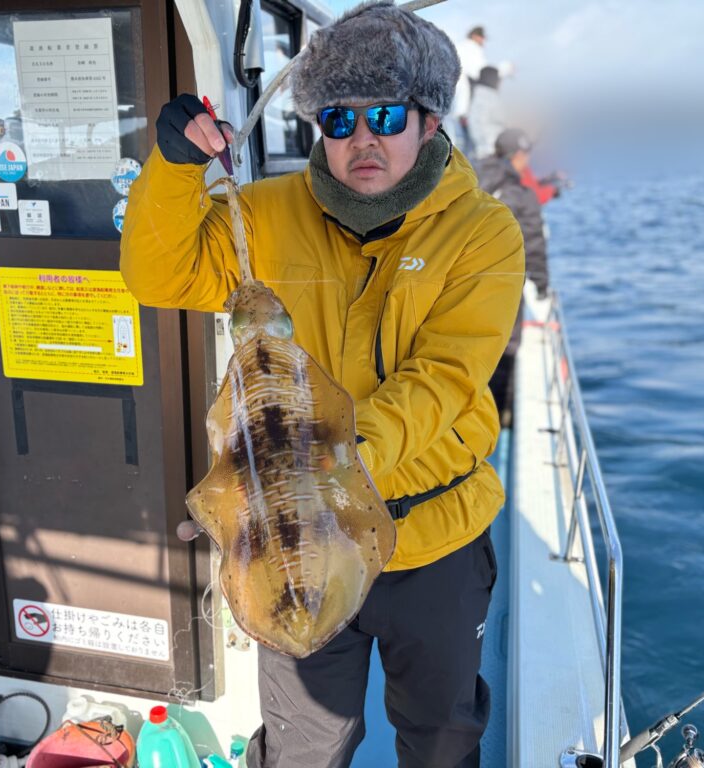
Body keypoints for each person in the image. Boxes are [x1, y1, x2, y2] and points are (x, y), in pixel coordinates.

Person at [119, 2, 525, 765]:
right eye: (339, 119)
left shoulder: (483, 233)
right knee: (303, 744)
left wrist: (337, 455)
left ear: (430, 121)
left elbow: (444, 376)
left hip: (433, 540)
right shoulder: (265, 214)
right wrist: (173, 166)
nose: (362, 138)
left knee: (441, 735)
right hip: (292, 543)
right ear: (318, 128)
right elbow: (160, 273)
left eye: (386, 116)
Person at [477, 128, 554, 426]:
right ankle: (497, 417)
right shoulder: (521, 195)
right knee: (505, 348)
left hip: (461, 282)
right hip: (502, 286)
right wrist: (541, 285)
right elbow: (533, 244)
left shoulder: (467, 175)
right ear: (520, 157)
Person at [447, 25, 487, 156]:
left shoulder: (458, 47)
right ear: (476, 36)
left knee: (452, 134)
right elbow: (479, 72)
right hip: (463, 102)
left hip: (451, 100)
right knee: (462, 142)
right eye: (482, 38)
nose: (483, 41)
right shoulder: (472, 48)